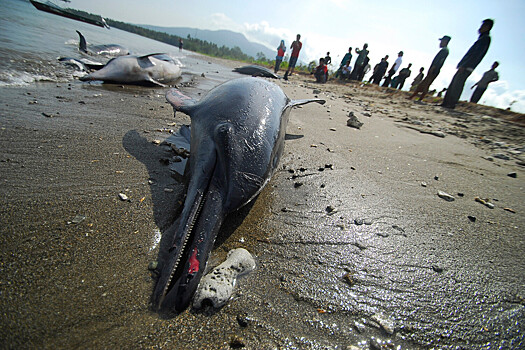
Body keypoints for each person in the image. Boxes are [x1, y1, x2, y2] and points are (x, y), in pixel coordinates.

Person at [441, 19, 493, 109]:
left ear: (487, 27)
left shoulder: (485, 39)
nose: (480, 28)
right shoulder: (482, 38)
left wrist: (465, 65)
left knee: (458, 83)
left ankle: (451, 103)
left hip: (467, 66)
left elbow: (476, 54)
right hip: (465, 65)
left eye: (482, 26)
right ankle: (446, 103)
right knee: (454, 82)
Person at [409, 35, 451, 101]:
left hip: (434, 70)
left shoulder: (444, 50)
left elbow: (439, 61)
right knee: (425, 84)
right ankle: (415, 97)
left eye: (442, 41)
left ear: (445, 41)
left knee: (425, 84)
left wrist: (433, 68)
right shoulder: (444, 50)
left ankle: (417, 97)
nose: (440, 43)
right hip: (435, 70)